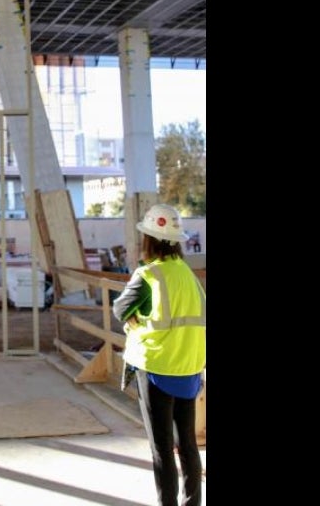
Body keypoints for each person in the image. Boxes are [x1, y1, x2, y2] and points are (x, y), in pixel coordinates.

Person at [111, 204, 206, 506]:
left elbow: (120, 308)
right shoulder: (189, 276)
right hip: (189, 368)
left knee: (162, 448)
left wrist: (135, 316)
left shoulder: (148, 274)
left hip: (156, 369)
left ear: (148, 240)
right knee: (188, 444)